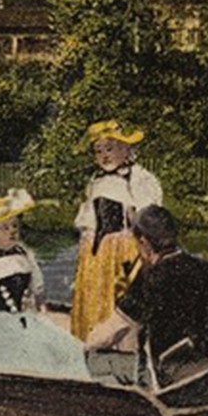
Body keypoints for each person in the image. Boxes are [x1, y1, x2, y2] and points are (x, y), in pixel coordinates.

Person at [85, 206, 208, 391]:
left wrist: (86, 344)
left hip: (185, 383)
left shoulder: (150, 277)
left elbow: (109, 333)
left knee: (96, 357)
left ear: (143, 242)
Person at [0, 188, 90, 378]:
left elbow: (39, 297)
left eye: (15, 227)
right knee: (34, 359)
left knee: (68, 348)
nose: (12, 232)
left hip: (26, 320)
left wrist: (47, 323)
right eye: (5, 228)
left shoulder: (25, 254)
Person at [70, 119, 164, 340]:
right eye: (98, 151)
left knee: (125, 297)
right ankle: (95, 340)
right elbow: (89, 218)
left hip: (125, 247)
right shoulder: (96, 181)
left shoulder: (140, 179)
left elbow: (149, 217)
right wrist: (87, 240)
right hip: (98, 251)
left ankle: (128, 342)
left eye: (110, 149)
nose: (104, 156)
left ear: (126, 148)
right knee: (96, 296)